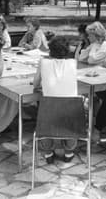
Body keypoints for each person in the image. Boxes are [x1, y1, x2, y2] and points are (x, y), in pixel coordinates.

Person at [33, 36, 78, 164]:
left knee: (44, 109)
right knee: (70, 111)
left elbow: (35, 84)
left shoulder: (43, 62)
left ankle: (48, 152)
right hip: (71, 113)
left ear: (50, 50)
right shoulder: (73, 63)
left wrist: (44, 85)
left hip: (49, 111)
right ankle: (69, 151)